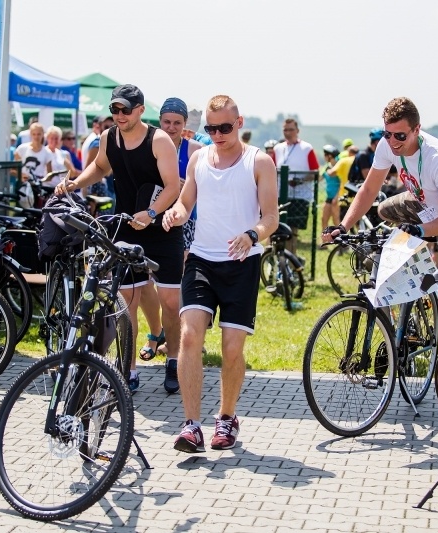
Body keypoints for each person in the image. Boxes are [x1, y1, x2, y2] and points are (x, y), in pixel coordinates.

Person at [321, 96, 438, 421]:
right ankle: (412, 287)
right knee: (384, 209)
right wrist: (343, 225)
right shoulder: (388, 146)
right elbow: (368, 191)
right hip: (426, 206)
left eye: (401, 136)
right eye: (388, 135)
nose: (393, 142)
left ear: (417, 130)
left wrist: (420, 231)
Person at [161, 94, 278, 452]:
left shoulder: (259, 162)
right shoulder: (198, 158)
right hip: (201, 260)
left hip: (242, 263)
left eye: (225, 127)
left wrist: (251, 235)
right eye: (211, 128)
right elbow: (185, 201)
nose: (217, 134)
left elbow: (271, 218)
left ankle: (226, 417)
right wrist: (177, 213)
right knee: (190, 336)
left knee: (231, 348)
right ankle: (192, 425)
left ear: (239, 123)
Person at [56, 84, 183, 394]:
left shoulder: (160, 140)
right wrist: (75, 184)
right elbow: (99, 167)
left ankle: (174, 360)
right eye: (115, 109)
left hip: (162, 228)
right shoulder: (108, 138)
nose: (120, 115)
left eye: (126, 109)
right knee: (126, 303)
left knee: (169, 300)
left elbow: (172, 187)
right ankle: (129, 368)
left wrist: (151, 214)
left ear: (140, 110)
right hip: (126, 227)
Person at [137, 97, 203, 393]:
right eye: (167, 122)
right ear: (159, 121)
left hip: (186, 223)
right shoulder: (150, 143)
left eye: (177, 123)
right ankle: (157, 333)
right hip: (150, 223)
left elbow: (205, 186)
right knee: (144, 285)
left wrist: (183, 186)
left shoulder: (195, 150)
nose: (172, 127)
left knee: (176, 291)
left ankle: (179, 351)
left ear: (185, 124)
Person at [272, 118, 319, 254]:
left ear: (297, 131)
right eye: (285, 129)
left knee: (292, 231)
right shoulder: (278, 148)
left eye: (291, 129)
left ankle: (290, 260)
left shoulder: (306, 148)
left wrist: (300, 180)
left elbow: (315, 172)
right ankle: (277, 261)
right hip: (281, 195)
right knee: (276, 230)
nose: (288, 132)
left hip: (299, 196)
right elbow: (272, 170)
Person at [14, 122, 53, 208]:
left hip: (37, 187)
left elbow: (50, 174)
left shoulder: (47, 152)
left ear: (43, 134)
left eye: (39, 134)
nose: (36, 136)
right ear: (30, 134)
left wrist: (41, 180)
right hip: (22, 186)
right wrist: (21, 175)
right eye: (34, 134)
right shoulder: (21, 149)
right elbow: (12, 170)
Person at [320, 144, 343, 242]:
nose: (324, 157)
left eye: (325, 155)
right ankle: (325, 241)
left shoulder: (338, 167)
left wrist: (336, 197)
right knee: (324, 219)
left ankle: (341, 243)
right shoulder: (327, 167)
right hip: (329, 197)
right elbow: (320, 178)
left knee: (336, 221)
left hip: (336, 198)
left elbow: (342, 183)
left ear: (329, 155)